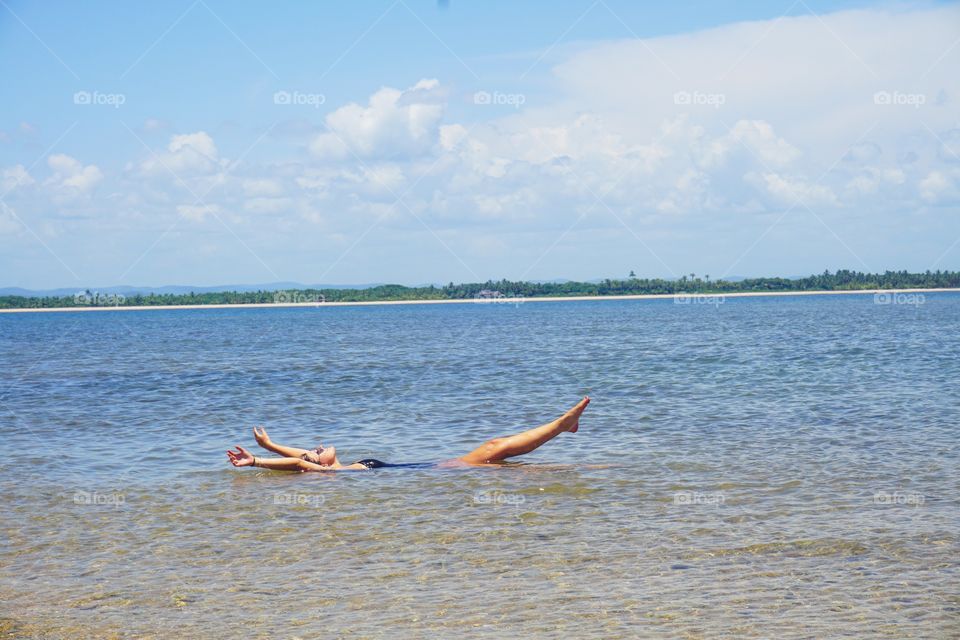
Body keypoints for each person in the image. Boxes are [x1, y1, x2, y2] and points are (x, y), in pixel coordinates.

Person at [226, 397, 590, 471]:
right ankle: (561, 425)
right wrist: (259, 460)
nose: (317, 447)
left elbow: (299, 456)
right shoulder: (329, 474)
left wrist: (270, 443)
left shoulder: (333, 467)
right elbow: (299, 462)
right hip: (437, 471)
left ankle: (561, 426)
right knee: (497, 449)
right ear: (316, 465)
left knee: (501, 454)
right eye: (315, 450)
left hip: (432, 467)